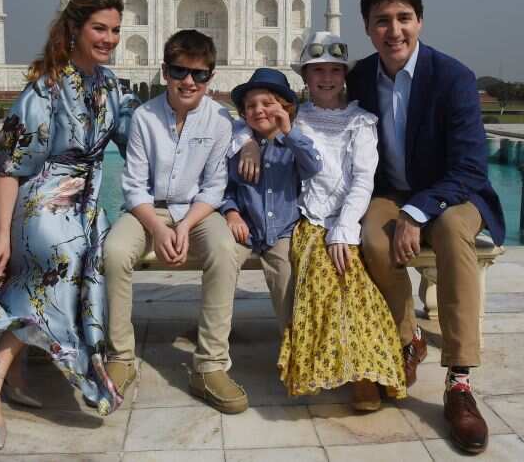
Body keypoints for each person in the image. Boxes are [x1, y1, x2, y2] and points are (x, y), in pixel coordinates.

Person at [0, 0, 136, 450]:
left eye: (116, 30)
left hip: (83, 207)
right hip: (40, 203)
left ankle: (16, 374)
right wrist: (2, 235)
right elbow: (9, 166)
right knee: (56, 273)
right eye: (99, 28)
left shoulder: (110, 86)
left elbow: (140, 136)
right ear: (76, 29)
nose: (109, 38)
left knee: (73, 264)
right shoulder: (45, 89)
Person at [347, 0, 506, 455]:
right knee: (372, 240)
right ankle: (407, 339)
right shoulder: (359, 78)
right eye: (382, 22)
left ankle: (459, 380)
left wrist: (417, 214)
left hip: (454, 194)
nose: (393, 31)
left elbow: (470, 167)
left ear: (420, 21)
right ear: (368, 29)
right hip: (391, 190)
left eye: (403, 19)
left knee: (454, 228)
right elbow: (317, 123)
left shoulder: (452, 77)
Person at [103, 30, 249, 414]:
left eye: (199, 74)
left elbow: (215, 187)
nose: (189, 82)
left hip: (197, 211)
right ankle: (120, 357)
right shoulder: (145, 117)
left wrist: (183, 227)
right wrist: (158, 227)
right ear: (165, 71)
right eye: (180, 72)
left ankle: (210, 365)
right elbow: (134, 186)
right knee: (115, 252)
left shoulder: (219, 119)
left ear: (210, 78)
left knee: (223, 248)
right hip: (149, 210)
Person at [277, 31, 407, 410]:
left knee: (354, 278)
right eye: (319, 70)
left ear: (345, 75)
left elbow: (362, 179)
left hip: (349, 221)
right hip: (310, 220)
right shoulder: (294, 120)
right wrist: (252, 141)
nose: (327, 77)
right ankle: (348, 368)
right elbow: (249, 133)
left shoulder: (360, 122)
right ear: (305, 75)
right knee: (326, 276)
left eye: (335, 70)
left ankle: (369, 369)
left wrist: (344, 230)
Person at [222, 68, 322, 333]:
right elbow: (227, 188)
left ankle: (293, 351)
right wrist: (231, 213)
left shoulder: (293, 144)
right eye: (251, 106)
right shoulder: (238, 149)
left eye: (268, 103)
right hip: (246, 229)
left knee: (286, 282)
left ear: (286, 108)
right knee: (221, 265)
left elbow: (313, 166)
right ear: (243, 113)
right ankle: (214, 340)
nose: (259, 110)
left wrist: (290, 133)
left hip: (282, 232)